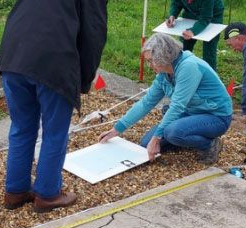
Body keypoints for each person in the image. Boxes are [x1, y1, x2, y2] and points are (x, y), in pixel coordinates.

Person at [0, 0, 108, 213]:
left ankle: (15, 191)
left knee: (22, 128)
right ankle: (47, 194)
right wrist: (85, 79)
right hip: (53, 63)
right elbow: (93, 37)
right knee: (55, 132)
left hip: (13, 58)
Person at [98, 33, 232, 164]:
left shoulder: (189, 66)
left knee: (173, 132)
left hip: (216, 117)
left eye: (151, 61)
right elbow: (146, 103)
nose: (150, 66)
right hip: (191, 113)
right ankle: (184, 137)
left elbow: (177, 106)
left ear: (163, 56)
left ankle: (210, 144)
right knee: (145, 144)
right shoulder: (164, 74)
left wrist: (157, 138)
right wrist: (117, 129)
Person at [166, 0, 224, 71]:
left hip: (213, 12)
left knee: (209, 46)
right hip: (191, 11)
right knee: (185, 42)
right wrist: (172, 15)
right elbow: (176, 3)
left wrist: (193, 31)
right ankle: (183, 70)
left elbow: (206, 17)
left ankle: (209, 75)